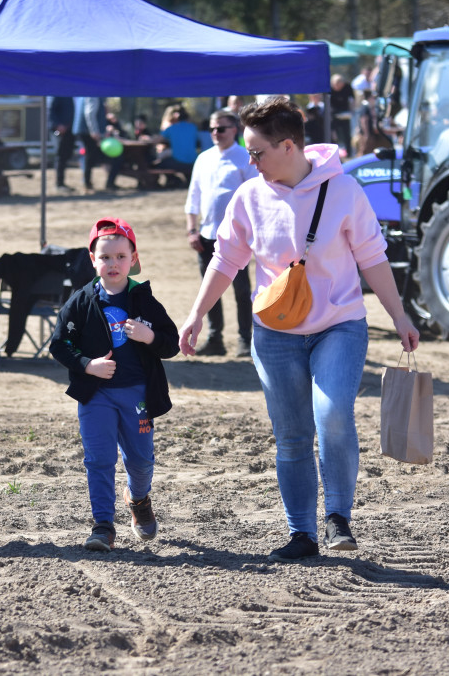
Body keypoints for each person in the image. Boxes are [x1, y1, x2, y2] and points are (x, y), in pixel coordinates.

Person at [178, 97, 419, 563]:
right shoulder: (249, 196)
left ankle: (337, 518)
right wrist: (196, 314)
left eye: (257, 152)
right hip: (274, 332)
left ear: (288, 146)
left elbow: (373, 258)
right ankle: (301, 533)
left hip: (339, 325)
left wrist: (400, 316)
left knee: (331, 415)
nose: (250, 161)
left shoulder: (345, 191)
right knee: (291, 435)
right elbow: (226, 260)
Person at [50, 218, 180, 551]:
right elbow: (59, 344)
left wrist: (150, 336)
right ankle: (103, 526)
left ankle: (138, 499)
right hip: (95, 396)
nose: (113, 264)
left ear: (134, 258)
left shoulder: (144, 300)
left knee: (140, 460)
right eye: (105, 257)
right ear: (92, 259)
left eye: (120, 257)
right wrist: (87, 365)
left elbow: (171, 342)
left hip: (138, 395)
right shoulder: (81, 301)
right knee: (99, 460)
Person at [184, 110, 258, 357]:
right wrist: (191, 228)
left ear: (234, 130)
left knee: (241, 291)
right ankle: (215, 338)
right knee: (209, 289)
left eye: (221, 128)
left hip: (236, 237)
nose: (215, 133)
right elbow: (194, 195)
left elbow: (255, 196)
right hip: (206, 234)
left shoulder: (244, 158)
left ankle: (245, 339)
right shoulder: (204, 158)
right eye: (212, 128)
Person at [154, 105, 200, 182]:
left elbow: (157, 140)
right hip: (193, 161)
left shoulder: (172, 128)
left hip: (178, 162)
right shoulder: (193, 127)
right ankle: (182, 180)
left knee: (159, 164)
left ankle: (173, 179)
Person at [47, 96, 76, 193]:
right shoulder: (58, 94)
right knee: (60, 156)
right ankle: (59, 184)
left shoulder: (72, 96)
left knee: (66, 155)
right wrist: (57, 125)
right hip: (59, 131)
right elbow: (50, 111)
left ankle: (61, 183)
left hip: (69, 130)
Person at [329, 74, 355, 157]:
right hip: (333, 113)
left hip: (345, 112)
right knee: (333, 134)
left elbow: (352, 100)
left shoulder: (347, 87)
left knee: (347, 134)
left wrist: (351, 111)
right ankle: (334, 153)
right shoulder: (329, 89)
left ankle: (349, 153)